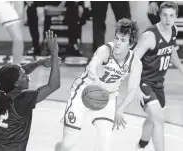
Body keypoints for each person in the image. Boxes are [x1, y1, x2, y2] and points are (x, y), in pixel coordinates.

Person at [55, 18, 143, 151]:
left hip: (108, 98)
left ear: (131, 45)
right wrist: (96, 80)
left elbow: (133, 89)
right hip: (83, 92)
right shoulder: (105, 50)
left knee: (105, 141)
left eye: (123, 40)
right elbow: (92, 66)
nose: (118, 43)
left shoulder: (135, 63)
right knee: (69, 142)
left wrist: (120, 108)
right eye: (116, 38)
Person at [0, 30, 60, 151]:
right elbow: (54, 85)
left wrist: (39, 62)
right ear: (15, 83)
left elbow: (19, 71)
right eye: (23, 76)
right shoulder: (21, 101)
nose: (27, 76)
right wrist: (54, 53)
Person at [133, 2, 183, 151]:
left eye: (171, 16)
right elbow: (133, 59)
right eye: (165, 15)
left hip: (159, 84)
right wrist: (135, 87)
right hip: (144, 83)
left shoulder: (173, 30)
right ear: (159, 16)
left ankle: (140, 146)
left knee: (153, 119)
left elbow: (170, 49)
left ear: (176, 17)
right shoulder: (150, 36)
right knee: (159, 119)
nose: (168, 19)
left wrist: (180, 67)